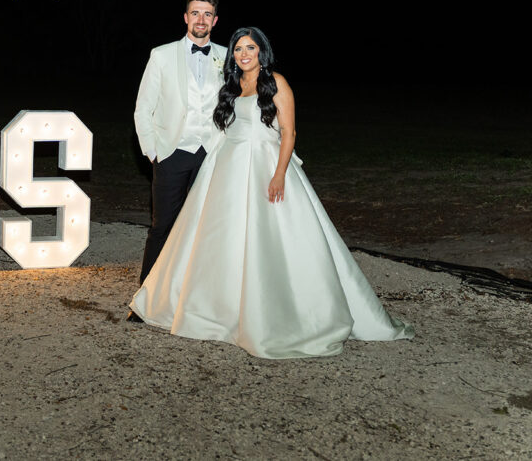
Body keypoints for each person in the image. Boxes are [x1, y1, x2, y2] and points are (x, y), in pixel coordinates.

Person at [129, 27, 414, 358]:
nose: (243, 54)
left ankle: (278, 311)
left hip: (267, 166)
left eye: (250, 48)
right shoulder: (232, 85)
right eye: (238, 49)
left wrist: (279, 174)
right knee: (222, 240)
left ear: (261, 52)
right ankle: (221, 311)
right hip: (228, 168)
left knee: (271, 237)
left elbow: (289, 132)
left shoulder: (276, 82)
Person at [131, 0, 228, 324]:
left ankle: (199, 299)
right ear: (186, 17)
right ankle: (146, 300)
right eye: (195, 13)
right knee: (163, 226)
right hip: (172, 152)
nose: (201, 19)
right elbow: (143, 108)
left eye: (207, 14)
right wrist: (154, 152)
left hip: (212, 154)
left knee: (207, 228)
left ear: (215, 20)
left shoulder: (228, 56)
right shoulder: (161, 55)